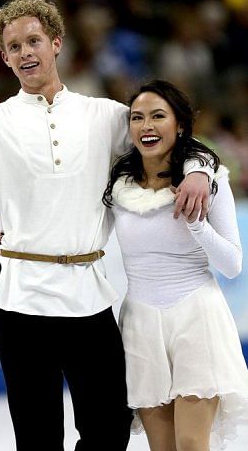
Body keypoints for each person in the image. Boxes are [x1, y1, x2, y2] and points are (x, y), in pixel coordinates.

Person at [0, 0, 213, 451]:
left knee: (110, 429)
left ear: (56, 43)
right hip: (21, 302)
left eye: (33, 40)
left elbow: (168, 137)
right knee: (37, 439)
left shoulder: (105, 116)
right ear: (5, 57)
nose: (25, 52)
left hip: (89, 299)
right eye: (13, 47)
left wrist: (199, 170)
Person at [102, 79, 248, 451]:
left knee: (191, 443)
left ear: (179, 124)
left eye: (157, 116)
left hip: (196, 318)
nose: (146, 126)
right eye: (137, 118)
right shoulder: (117, 184)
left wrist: (197, 224)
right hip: (141, 324)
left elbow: (232, 264)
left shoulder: (207, 178)